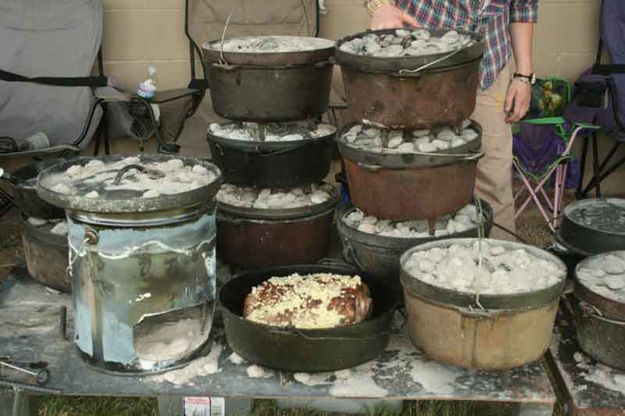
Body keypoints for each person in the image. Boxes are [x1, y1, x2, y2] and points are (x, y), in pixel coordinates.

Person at [365, 0, 538, 239]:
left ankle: (498, 263)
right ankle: (417, 260)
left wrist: (523, 76)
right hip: (420, 68)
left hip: (488, 68)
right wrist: (380, 6)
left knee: (493, 172)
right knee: (417, 169)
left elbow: (523, 6)